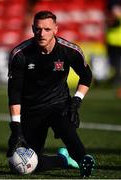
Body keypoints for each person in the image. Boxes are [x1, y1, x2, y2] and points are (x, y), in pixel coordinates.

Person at [6, 10, 95, 177]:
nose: (42, 33)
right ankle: (62, 160)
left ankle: (84, 160)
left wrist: (76, 101)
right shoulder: (20, 54)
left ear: (56, 29)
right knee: (24, 166)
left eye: (47, 29)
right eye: (38, 29)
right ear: (32, 29)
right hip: (31, 110)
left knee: (66, 127)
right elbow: (14, 93)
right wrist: (16, 128)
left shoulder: (69, 51)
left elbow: (86, 76)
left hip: (58, 104)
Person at [106, 0, 121, 89]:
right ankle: (116, 79)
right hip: (113, 42)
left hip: (115, 42)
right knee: (114, 63)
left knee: (116, 63)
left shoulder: (115, 17)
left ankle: (117, 80)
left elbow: (112, 24)